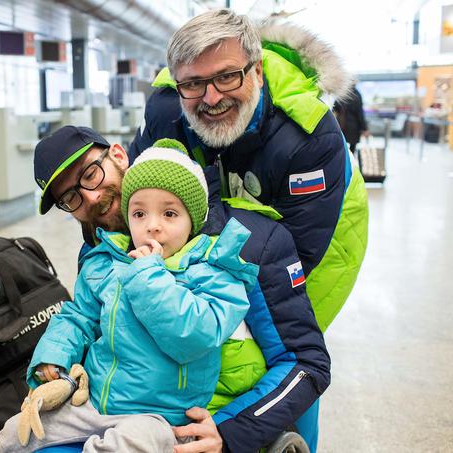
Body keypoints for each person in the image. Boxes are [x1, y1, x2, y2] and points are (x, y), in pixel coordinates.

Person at [27, 125, 330, 453]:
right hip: (108, 411)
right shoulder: (99, 253)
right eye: (71, 197)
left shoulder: (247, 245)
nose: (92, 197)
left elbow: (304, 361)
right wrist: (54, 362)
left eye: (90, 174)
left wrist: (230, 433)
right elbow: (81, 320)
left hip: (200, 423)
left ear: (117, 155)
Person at [0, 142, 261, 452]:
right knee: (16, 433)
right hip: (93, 402)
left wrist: (149, 275)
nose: (153, 226)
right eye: (139, 213)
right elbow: (78, 317)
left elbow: (195, 337)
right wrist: (53, 358)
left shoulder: (215, 271)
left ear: (193, 219)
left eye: (170, 213)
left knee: (126, 445)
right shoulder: (104, 260)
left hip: (160, 418)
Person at [130, 10, 369, 336]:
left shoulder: (307, 136)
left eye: (227, 76)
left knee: (260, 356)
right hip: (236, 214)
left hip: (325, 240)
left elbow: (296, 256)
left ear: (257, 71)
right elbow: (132, 200)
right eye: (193, 83)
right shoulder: (165, 110)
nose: (211, 98)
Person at [333, 83, 370, 152]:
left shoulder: (342, 93)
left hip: (341, 125)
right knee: (352, 149)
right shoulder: (357, 95)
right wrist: (364, 128)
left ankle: (344, 161)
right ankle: (351, 161)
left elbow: (335, 108)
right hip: (354, 127)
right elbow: (360, 113)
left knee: (342, 148)